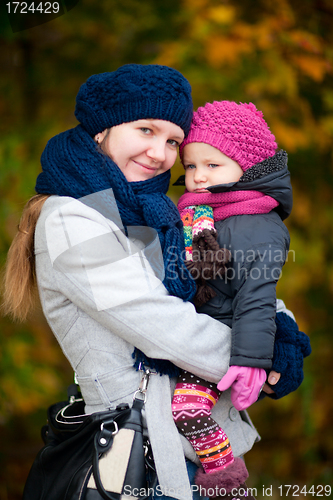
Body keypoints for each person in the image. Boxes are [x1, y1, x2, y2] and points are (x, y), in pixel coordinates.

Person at [2, 65, 308, 500]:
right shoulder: (71, 219)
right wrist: (259, 359)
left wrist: (283, 331)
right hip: (139, 456)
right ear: (100, 131)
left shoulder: (158, 213)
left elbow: (226, 287)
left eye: (172, 141)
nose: (160, 153)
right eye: (146, 129)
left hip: (196, 451)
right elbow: (161, 325)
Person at [172, 100, 311, 495]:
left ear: (246, 167)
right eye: (191, 166)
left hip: (228, 337)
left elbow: (257, 299)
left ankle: (227, 482)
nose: (198, 176)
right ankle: (224, 478)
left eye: (212, 165)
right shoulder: (198, 214)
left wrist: (251, 361)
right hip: (204, 331)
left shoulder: (258, 225)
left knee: (188, 409)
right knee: (188, 410)